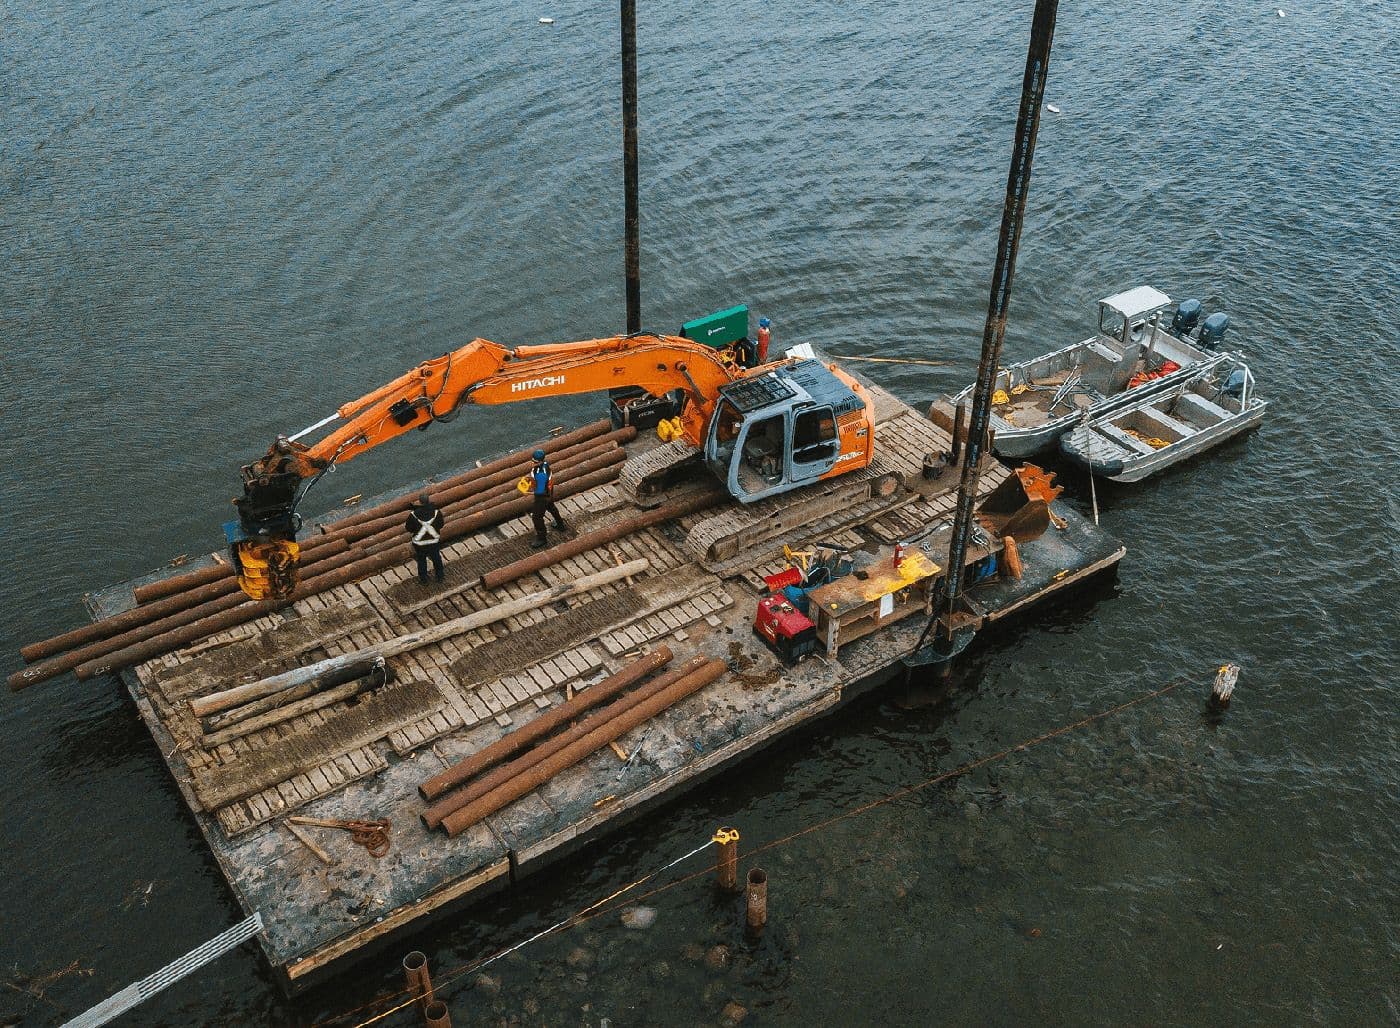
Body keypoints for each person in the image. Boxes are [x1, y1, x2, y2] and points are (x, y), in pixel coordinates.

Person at [529, 448, 567, 548]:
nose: (532, 463)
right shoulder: (545, 465)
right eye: (532, 461)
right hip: (549, 492)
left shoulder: (541, 474)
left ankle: (542, 538)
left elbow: (539, 490)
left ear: (540, 461)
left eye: (535, 462)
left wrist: (528, 491)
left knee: (536, 517)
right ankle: (560, 524)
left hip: (542, 496)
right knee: (551, 506)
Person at [405, 492, 446, 583]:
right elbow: (441, 524)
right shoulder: (436, 512)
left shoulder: (413, 515)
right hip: (434, 541)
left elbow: (408, 528)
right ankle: (440, 577)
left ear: (420, 502)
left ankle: (424, 579)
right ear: (428, 500)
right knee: (436, 558)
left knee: (421, 560)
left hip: (419, 543)